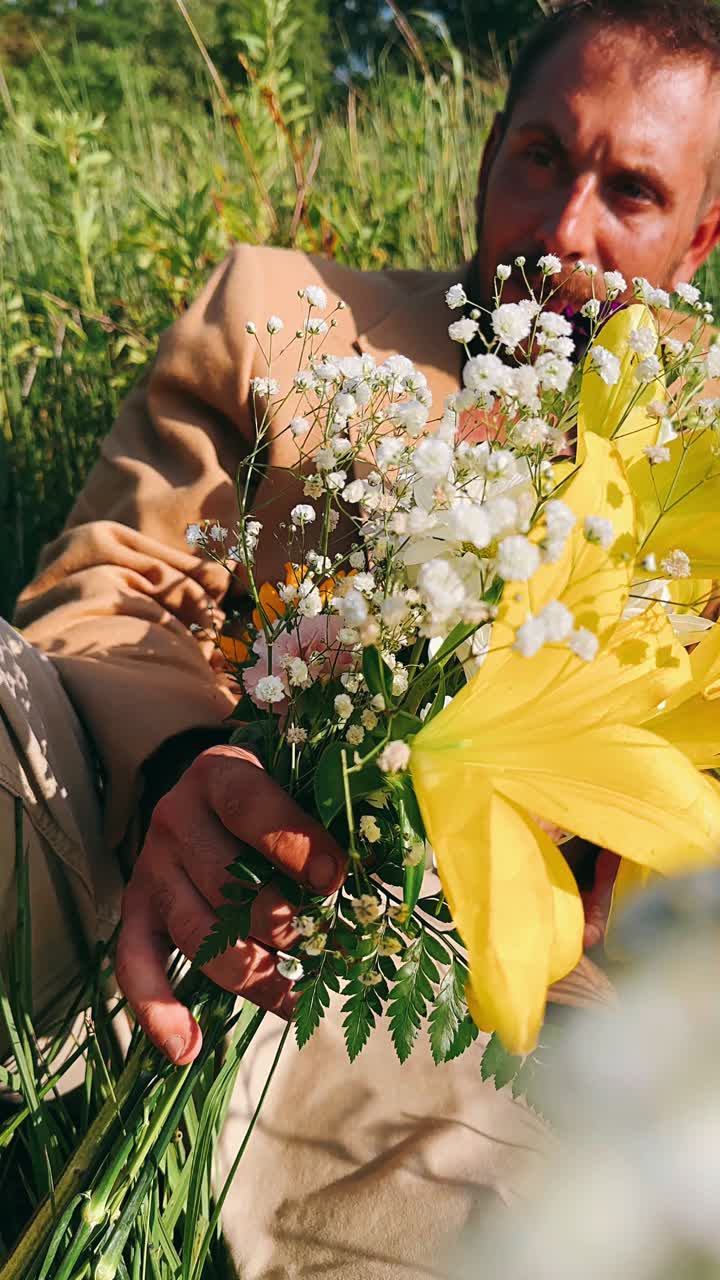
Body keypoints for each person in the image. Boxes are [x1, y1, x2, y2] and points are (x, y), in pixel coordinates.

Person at [4, 0, 720, 1273]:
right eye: (542, 157)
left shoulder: (697, 457)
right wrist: (184, 773)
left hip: (465, 1043)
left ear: (705, 234)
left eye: (633, 190)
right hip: (135, 866)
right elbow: (109, 586)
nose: (563, 228)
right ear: (487, 150)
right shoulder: (285, 312)